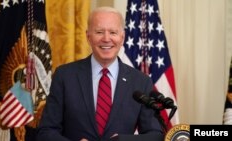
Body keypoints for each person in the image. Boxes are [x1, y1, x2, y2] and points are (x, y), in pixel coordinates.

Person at [36, 6, 164, 141]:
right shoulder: (64, 76)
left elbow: (155, 135)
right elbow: (46, 131)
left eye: (113, 32)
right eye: (99, 32)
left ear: (122, 37)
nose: (106, 38)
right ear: (88, 37)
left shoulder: (141, 82)